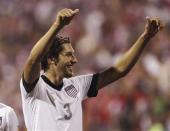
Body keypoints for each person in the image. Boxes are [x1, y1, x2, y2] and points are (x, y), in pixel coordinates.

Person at [20, 8, 163, 131]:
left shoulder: (76, 85)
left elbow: (119, 70)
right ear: (51, 59)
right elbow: (33, 60)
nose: (74, 60)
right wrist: (57, 25)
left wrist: (145, 37)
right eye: (68, 55)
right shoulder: (34, 88)